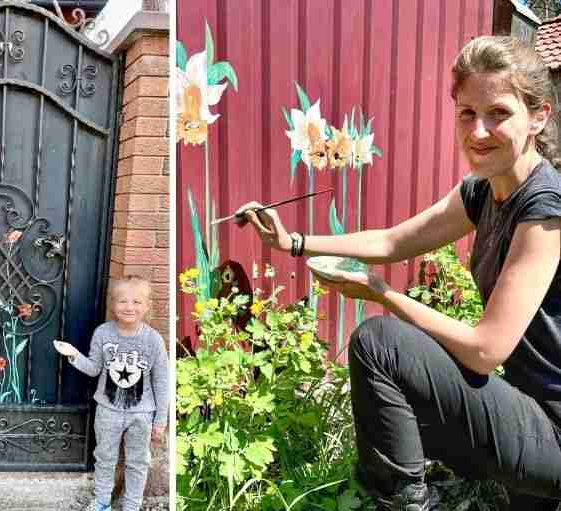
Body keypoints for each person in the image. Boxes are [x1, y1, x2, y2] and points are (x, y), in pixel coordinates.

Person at [237, 35, 561, 511]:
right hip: (521, 409)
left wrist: (381, 293)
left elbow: (486, 350)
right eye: (467, 113)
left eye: (498, 113)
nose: (479, 131)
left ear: (538, 117)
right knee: (401, 381)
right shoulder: (483, 191)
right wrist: (294, 243)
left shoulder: (545, 206)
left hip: (551, 431)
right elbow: (391, 241)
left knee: (382, 344)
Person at [53, 275, 168, 511]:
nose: (129, 307)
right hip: (108, 409)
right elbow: (94, 368)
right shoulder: (103, 334)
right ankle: (102, 502)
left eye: (137, 302)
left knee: (137, 462)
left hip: (142, 413)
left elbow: (162, 381)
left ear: (147, 306)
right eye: (123, 301)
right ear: (113, 304)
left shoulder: (153, 341)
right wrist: (73, 354)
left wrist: (161, 420)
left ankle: (132, 505)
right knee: (105, 457)